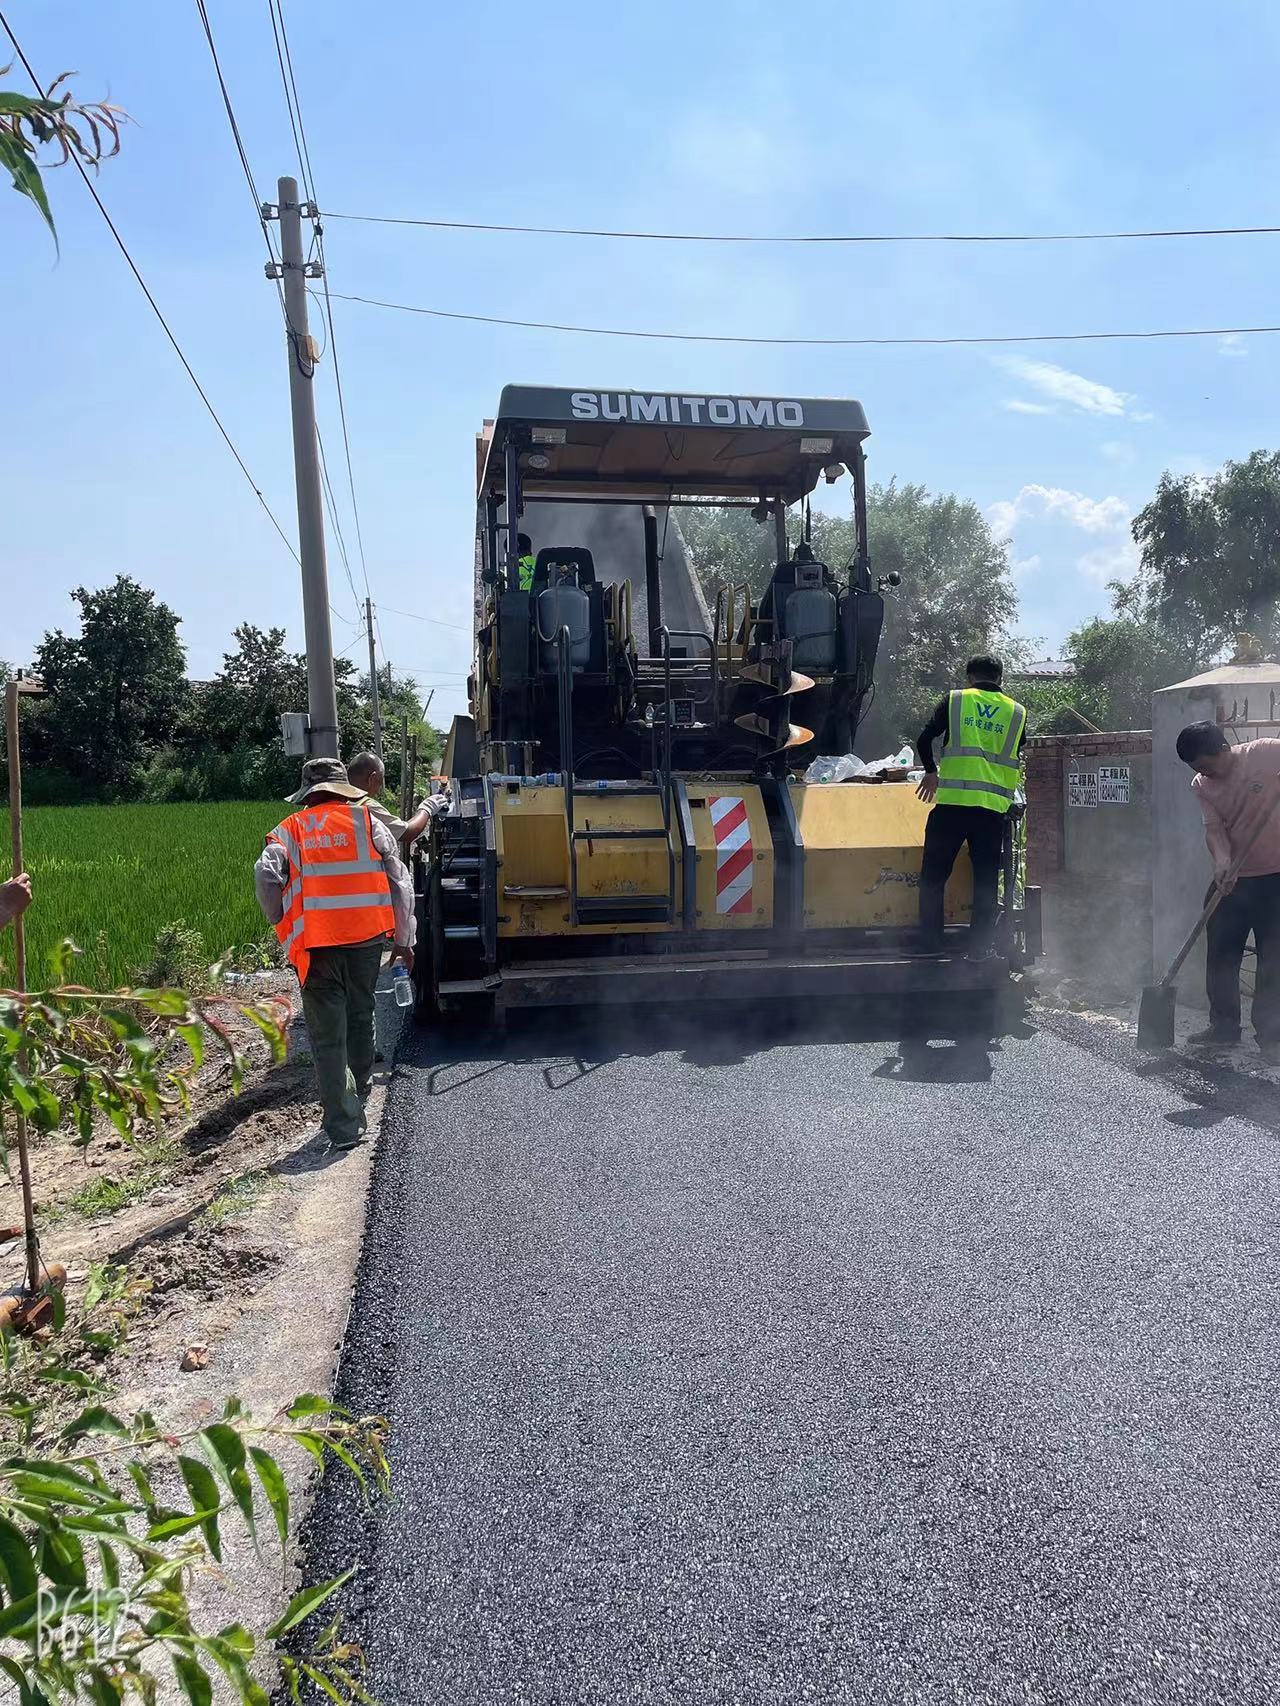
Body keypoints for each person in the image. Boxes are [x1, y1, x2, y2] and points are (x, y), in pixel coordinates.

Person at [254, 757, 416, 1150]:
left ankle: (343, 1128)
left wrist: (279, 920)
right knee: (361, 1016)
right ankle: (361, 1095)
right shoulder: (369, 823)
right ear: (345, 789)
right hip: (366, 942)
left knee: (328, 1037)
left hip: (316, 948)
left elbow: (266, 875)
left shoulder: (290, 830)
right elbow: (400, 881)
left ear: (308, 793)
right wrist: (404, 939)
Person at [1175, 720, 1280, 1058]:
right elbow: (1214, 830)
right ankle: (1223, 1027)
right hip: (1234, 879)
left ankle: (1272, 1038)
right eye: (1197, 770)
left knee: (1273, 959)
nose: (1203, 774)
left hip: (1276, 878)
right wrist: (1222, 861)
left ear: (1224, 749)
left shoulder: (1265, 753)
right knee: (1221, 953)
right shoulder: (1202, 785)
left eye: (1206, 767)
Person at [914, 654, 1027, 960]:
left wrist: (931, 772)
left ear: (969, 677)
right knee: (986, 882)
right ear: (1000, 678)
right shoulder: (1016, 712)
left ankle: (930, 945)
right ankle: (979, 949)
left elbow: (924, 739)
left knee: (934, 877)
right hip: (991, 811)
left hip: (952, 806)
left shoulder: (956, 700)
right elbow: (1017, 749)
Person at [347, 752, 447, 848]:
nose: (378, 790)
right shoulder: (366, 807)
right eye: (380, 782)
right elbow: (407, 832)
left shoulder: (342, 802)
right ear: (372, 779)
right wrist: (427, 808)